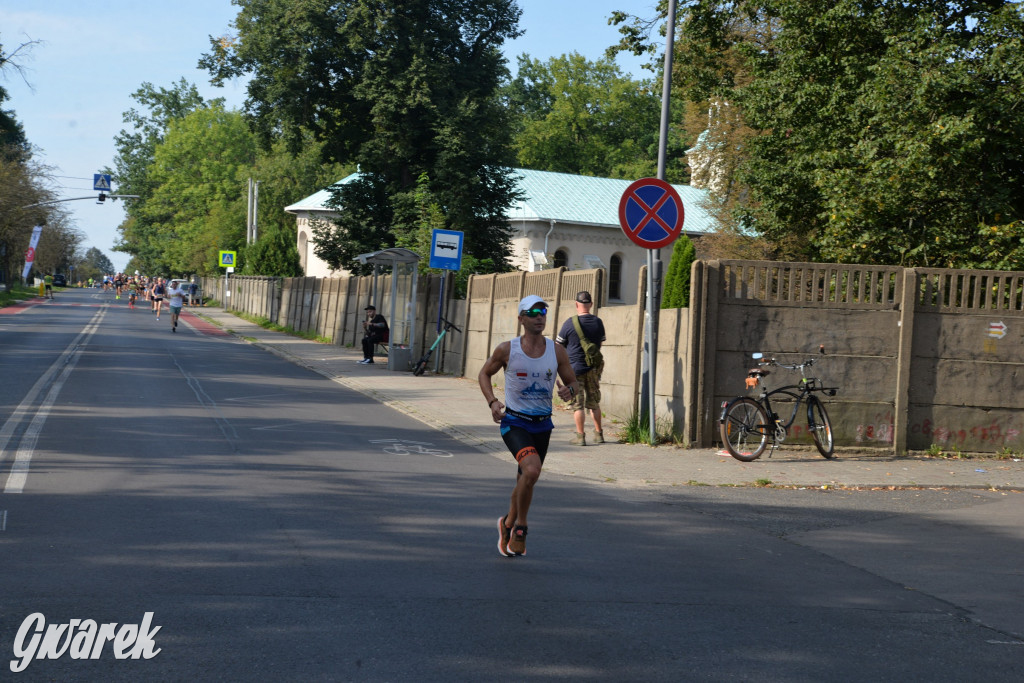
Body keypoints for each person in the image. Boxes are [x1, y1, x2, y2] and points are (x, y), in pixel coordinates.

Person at [478, 295, 579, 557]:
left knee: (526, 480)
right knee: (532, 471)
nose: (539, 316)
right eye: (533, 312)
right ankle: (520, 528)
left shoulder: (556, 351)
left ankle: (507, 523)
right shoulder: (507, 349)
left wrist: (569, 391)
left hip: (542, 426)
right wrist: (492, 401)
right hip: (514, 422)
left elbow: (573, 383)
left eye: (543, 311)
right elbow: (484, 373)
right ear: (521, 318)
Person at [556, 290, 607, 445]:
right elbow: (600, 344)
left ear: (576, 304)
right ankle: (599, 434)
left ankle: (580, 437)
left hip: (574, 370)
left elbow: (558, 346)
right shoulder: (598, 322)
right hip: (592, 369)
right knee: (594, 403)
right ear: (590, 304)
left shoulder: (569, 323)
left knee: (578, 405)